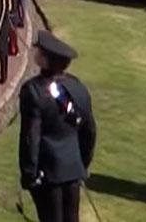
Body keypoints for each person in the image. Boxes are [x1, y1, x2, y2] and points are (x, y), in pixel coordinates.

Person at [20, 31, 97, 222]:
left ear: (46, 60)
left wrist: (29, 173)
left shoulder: (33, 91)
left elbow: (31, 137)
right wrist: (82, 163)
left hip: (47, 173)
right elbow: (89, 131)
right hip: (73, 168)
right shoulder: (78, 88)